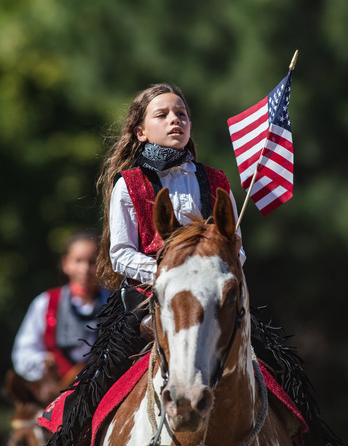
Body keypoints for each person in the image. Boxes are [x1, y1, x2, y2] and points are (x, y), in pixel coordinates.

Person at [46, 84, 341, 446]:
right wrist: (171, 274)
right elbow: (121, 254)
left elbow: (239, 251)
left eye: (182, 114)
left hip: (215, 299)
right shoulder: (129, 184)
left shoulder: (216, 180)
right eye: (163, 114)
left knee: (286, 372)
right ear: (140, 132)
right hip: (145, 304)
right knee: (91, 390)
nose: (175, 120)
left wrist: (215, 266)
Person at [6, 230, 108, 444]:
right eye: (78, 261)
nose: (85, 268)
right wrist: (41, 362)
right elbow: (23, 351)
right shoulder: (46, 303)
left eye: (91, 261)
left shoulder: (114, 301)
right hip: (53, 395)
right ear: (66, 264)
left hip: (103, 390)